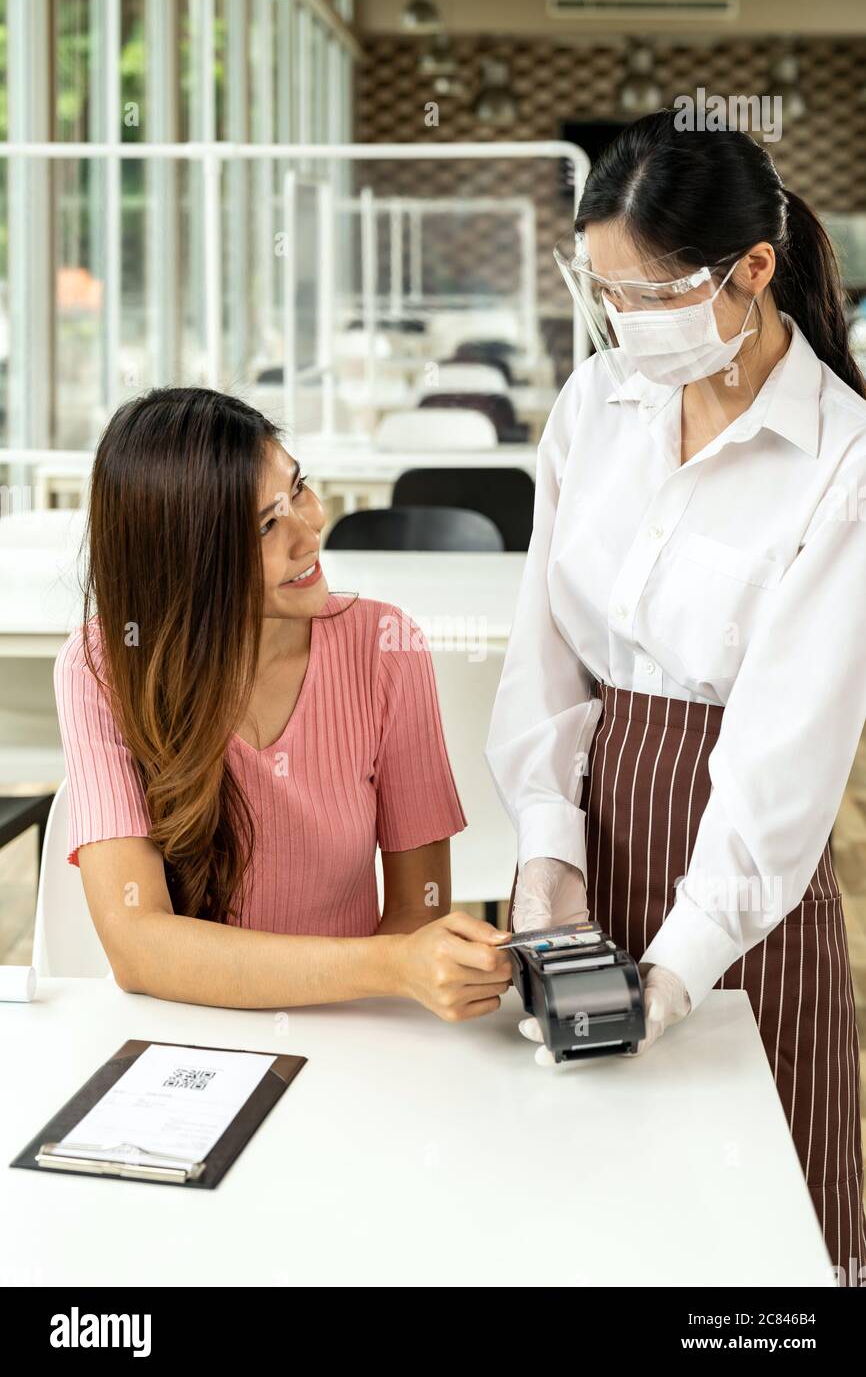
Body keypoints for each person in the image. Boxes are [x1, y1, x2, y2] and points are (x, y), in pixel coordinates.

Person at [485, 109, 866, 1278]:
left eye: (654, 297)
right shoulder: (593, 406)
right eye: (605, 294)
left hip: (744, 885)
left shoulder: (841, 458)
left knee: (753, 1240)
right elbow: (544, 646)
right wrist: (548, 844)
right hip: (593, 838)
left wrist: (679, 966)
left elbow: (780, 762)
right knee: (591, 1218)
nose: (625, 328)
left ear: (753, 270)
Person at [54, 387, 513, 1021]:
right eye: (266, 525)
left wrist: (403, 968)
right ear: (186, 558)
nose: (310, 527)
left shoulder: (386, 646)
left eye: (298, 489)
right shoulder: (102, 665)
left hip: (348, 1027)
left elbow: (418, 909)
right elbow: (136, 944)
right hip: (185, 1029)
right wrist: (389, 964)